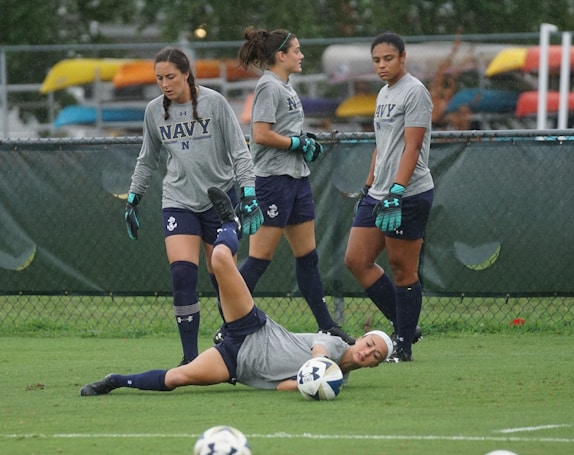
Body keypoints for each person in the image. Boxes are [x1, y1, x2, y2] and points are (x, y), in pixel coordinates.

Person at [81, 188, 393, 396]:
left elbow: (287, 386)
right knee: (219, 260)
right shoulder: (337, 346)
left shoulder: (339, 380)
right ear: (361, 338)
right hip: (254, 330)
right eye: (369, 343)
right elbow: (319, 350)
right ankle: (231, 223)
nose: (366, 351)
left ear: (375, 366)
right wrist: (320, 371)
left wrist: (309, 385)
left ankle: (115, 381)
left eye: (373, 355)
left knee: (178, 378)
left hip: (237, 363)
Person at [123, 47, 263, 366]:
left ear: (186, 73)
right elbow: (147, 159)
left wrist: (249, 194)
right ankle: (190, 359)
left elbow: (240, 152)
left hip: (220, 202)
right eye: (159, 78)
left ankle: (236, 345)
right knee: (182, 275)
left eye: (170, 76)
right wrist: (134, 197)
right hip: (178, 201)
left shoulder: (214, 102)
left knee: (222, 277)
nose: (165, 84)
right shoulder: (154, 111)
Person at [231, 27, 354, 345]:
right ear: (280, 56)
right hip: (273, 181)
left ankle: (327, 325)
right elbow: (260, 134)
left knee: (308, 257)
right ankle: (229, 322)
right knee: (259, 259)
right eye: (296, 50)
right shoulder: (268, 87)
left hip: (296, 180)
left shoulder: (286, 86)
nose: (301, 55)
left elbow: (285, 134)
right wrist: (296, 143)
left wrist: (303, 142)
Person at [344, 32, 434, 362]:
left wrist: (397, 190)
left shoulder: (415, 92)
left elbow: (411, 146)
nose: (382, 65)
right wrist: (369, 185)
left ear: (402, 58)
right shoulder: (383, 93)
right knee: (356, 260)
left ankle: (403, 346)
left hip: (408, 193)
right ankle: (405, 326)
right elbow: (383, 144)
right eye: (377, 60)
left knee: (402, 269)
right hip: (378, 192)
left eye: (388, 59)